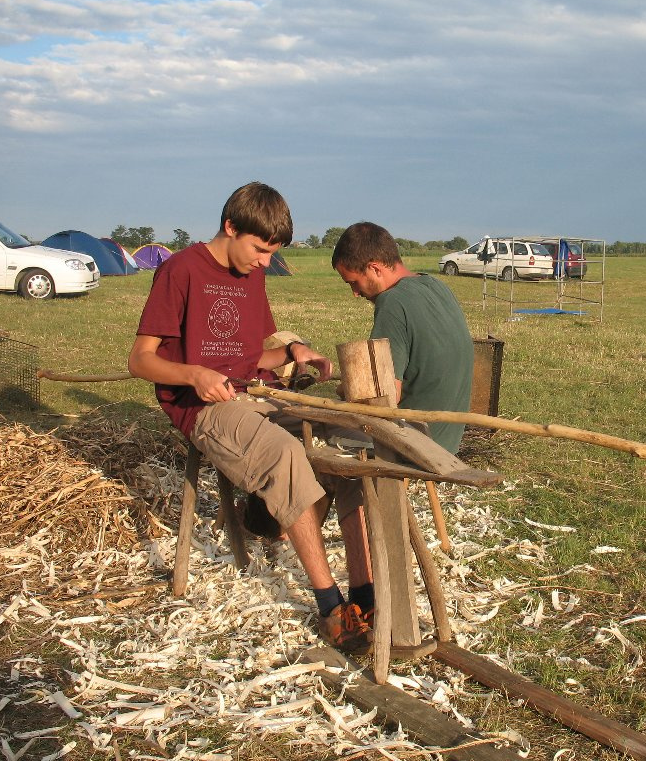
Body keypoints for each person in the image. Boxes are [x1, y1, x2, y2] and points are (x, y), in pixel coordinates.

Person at [127, 182, 373, 654]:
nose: (264, 262)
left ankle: (364, 593)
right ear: (230, 227)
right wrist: (194, 374)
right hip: (203, 407)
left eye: (271, 253)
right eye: (259, 250)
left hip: (257, 392)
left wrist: (295, 352)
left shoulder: (252, 275)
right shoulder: (181, 271)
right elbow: (140, 360)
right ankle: (330, 605)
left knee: (347, 440)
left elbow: (254, 355)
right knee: (283, 454)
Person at [327, 222, 474, 619]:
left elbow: (383, 397)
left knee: (324, 448)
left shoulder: (393, 304)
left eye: (354, 282)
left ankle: (363, 587)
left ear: (375, 268)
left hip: (416, 439)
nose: (355, 293)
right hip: (449, 431)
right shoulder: (433, 285)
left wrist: (343, 390)